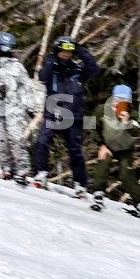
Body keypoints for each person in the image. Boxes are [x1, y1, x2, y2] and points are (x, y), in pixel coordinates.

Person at [33, 36, 100, 194]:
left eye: (69, 52)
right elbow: (43, 77)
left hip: (73, 115)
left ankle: (80, 183)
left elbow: (94, 68)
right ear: (57, 51)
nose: (66, 54)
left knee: (74, 150)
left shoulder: (78, 69)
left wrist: (80, 50)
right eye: (63, 51)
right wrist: (50, 58)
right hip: (53, 111)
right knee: (42, 141)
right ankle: (40, 172)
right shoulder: (52, 66)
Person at [0, 32, 33, 182]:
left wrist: (29, 106)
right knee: (0, 139)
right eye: (2, 47)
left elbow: (26, 86)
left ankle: (22, 169)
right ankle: (6, 167)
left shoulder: (18, 67)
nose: (5, 50)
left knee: (16, 138)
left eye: (8, 47)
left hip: (14, 108)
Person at [91, 84, 140, 216]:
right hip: (108, 145)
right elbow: (91, 126)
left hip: (125, 148)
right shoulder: (101, 109)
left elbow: (136, 131)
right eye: (117, 99)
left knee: (125, 173)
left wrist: (126, 122)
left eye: (123, 100)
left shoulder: (133, 113)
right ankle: (99, 192)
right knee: (103, 163)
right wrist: (101, 144)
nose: (119, 103)